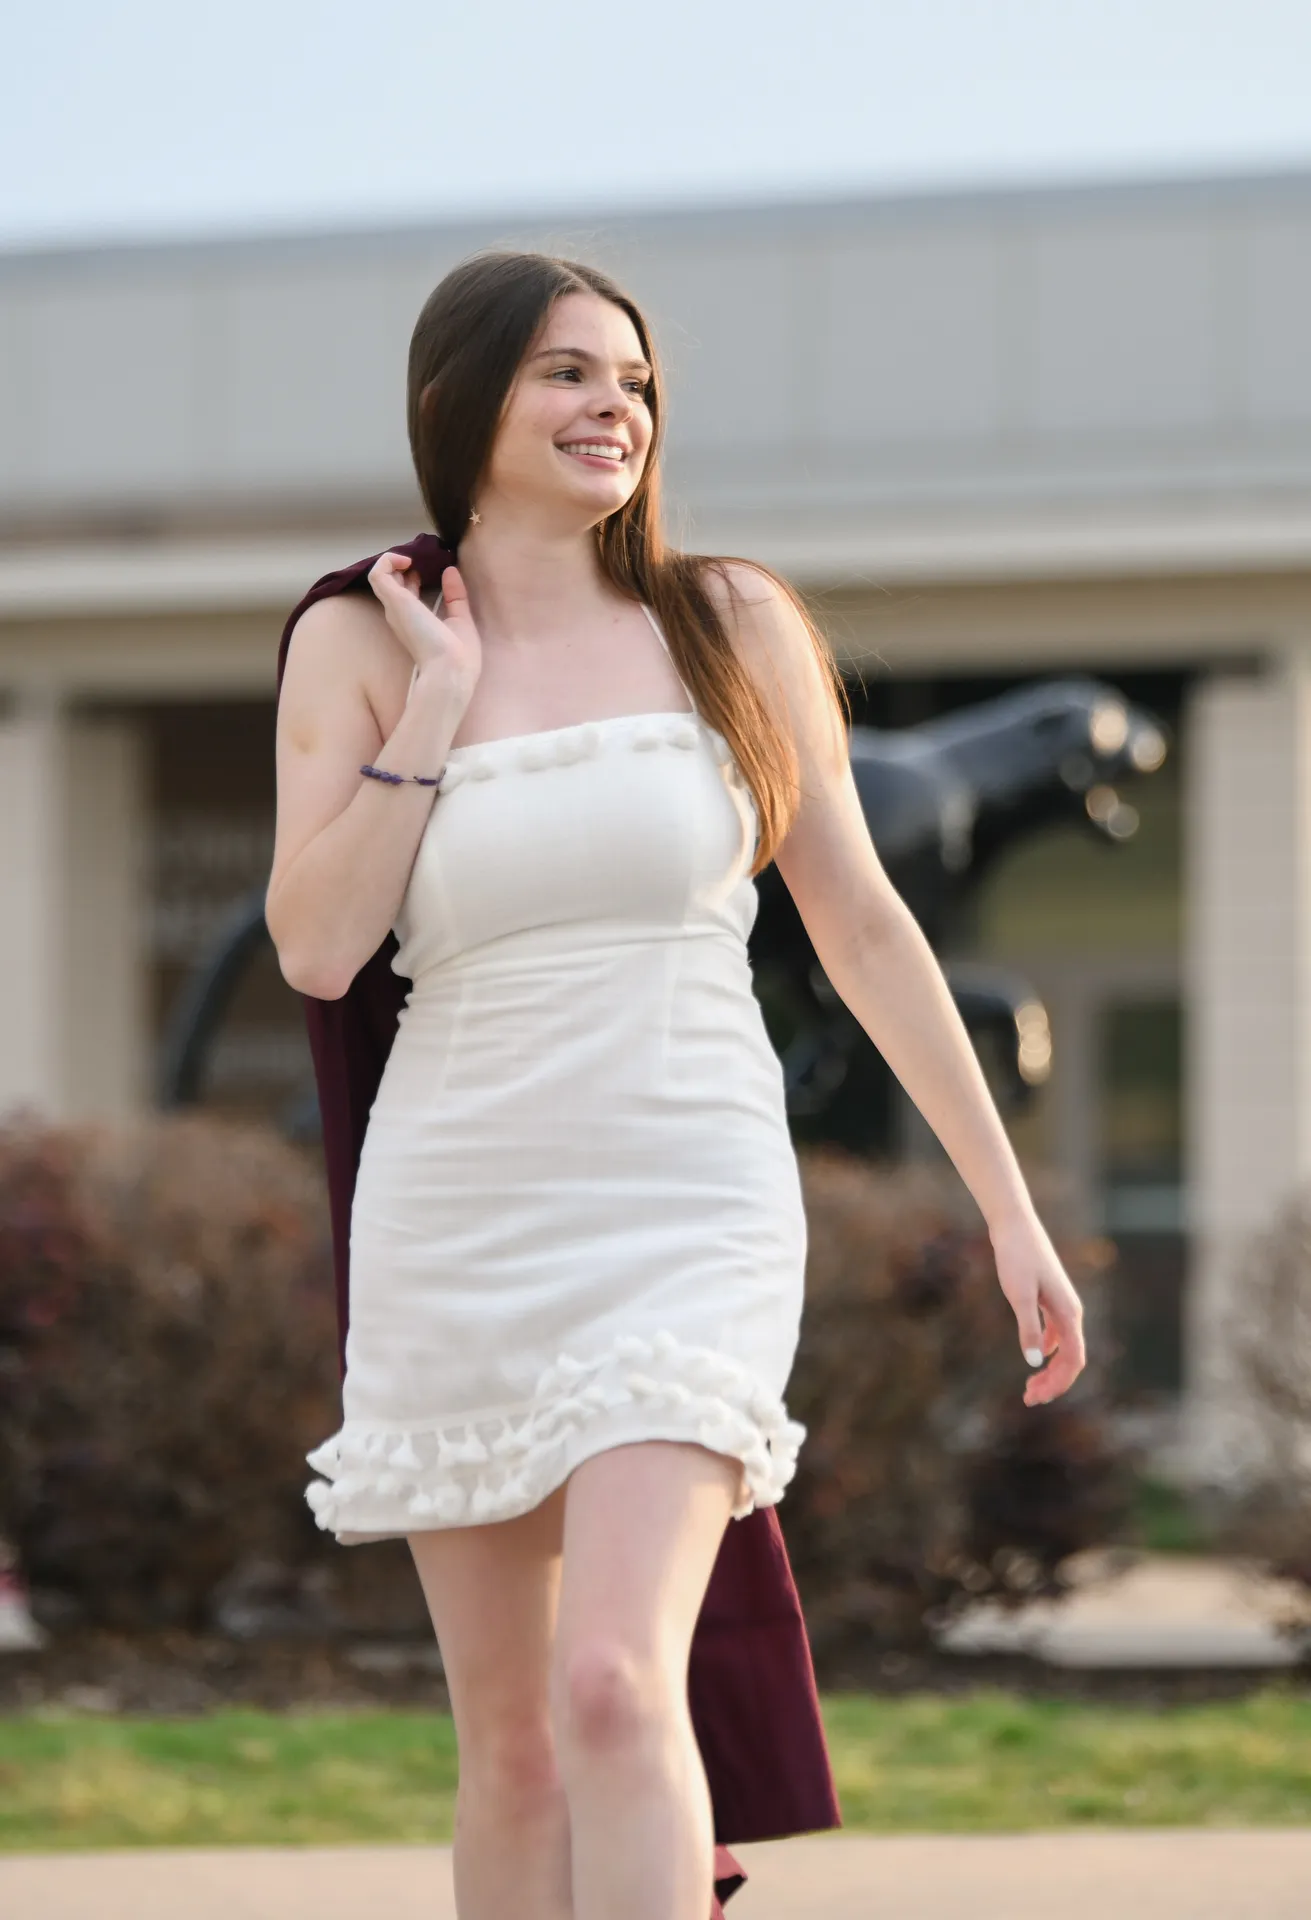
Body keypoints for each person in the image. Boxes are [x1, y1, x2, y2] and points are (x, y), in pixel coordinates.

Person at [266, 250, 1086, 1920]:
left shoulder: (730, 625)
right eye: (569, 374)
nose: (612, 408)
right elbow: (320, 947)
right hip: (460, 1211)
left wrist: (1007, 1209)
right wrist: (436, 696)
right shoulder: (362, 636)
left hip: (685, 1195)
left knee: (613, 1690)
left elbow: (859, 923)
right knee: (506, 1748)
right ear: (462, 399)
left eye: (633, 383)